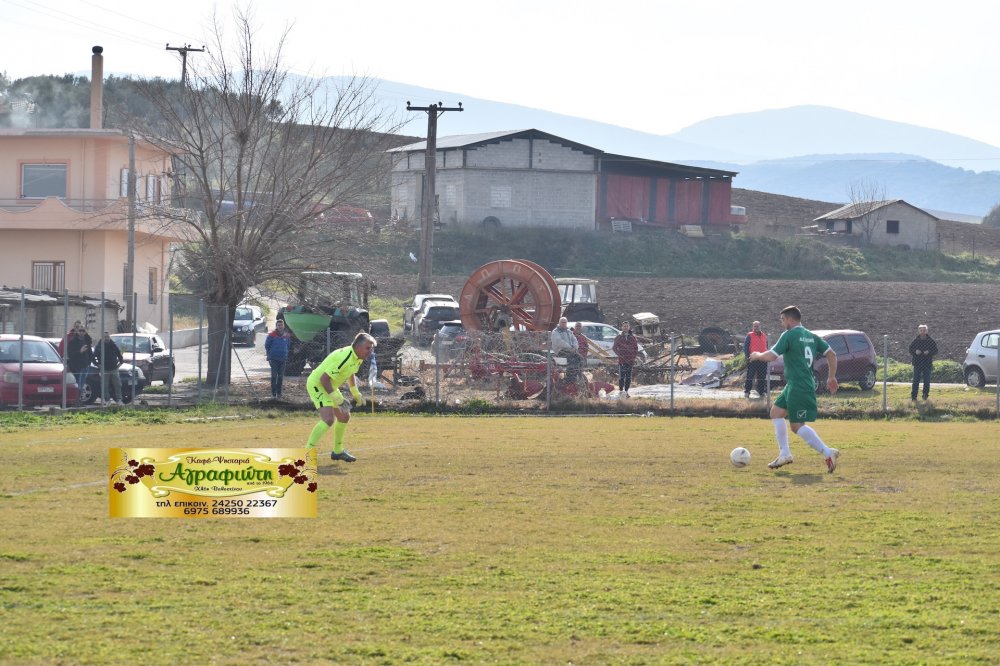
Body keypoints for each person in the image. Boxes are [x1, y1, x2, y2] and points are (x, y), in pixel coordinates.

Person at [749, 306, 840, 473]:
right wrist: (831, 377)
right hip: (796, 384)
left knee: (796, 426)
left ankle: (828, 452)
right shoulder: (811, 336)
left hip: (799, 385)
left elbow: (771, 356)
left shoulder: (789, 335)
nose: (783, 324)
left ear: (790, 319)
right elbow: (832, 354)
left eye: (783, 320)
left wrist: (757, 355)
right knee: (776, 412)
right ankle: (785, 454)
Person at [305, 331, 377, 462]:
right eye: (368, 348)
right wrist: (337, 398)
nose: (370, 351)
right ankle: (306, 454)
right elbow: (324, 379)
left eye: (371, 348)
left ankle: (337, 452)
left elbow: (350, 373)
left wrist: (355, 392)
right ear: (358, 347)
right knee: (328, 419)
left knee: (344, 416)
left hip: (329, 385)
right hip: (318, 384)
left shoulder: (358, 357)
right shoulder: (345, 356)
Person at [908, 324, 938, 400]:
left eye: (924, 330)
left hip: (927, 363)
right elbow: (910, 349)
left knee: (927, 381)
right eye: (921, 330)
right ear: (919, 331)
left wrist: (929, 352)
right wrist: (915, 351)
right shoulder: (915, 341)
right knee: (915, 381)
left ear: (927, 331)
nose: (922, 332)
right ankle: (914, 397)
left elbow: (935, 350)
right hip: (917, 363)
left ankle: (925, 396)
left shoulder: (930, 341)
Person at [66, 323, 94, 405]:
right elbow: (70, 354)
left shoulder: (87, 340)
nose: (82, 332)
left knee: (82, 385)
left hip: (85, 366)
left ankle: (79, 401)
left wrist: (91, 362)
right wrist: (80, 351)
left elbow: (90, 353)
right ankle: (76, 401)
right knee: (78, 384)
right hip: (77, 367)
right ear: (77, 331)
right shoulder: (73, 341)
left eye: (83, 330)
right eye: (80, 330)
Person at [264, 319, 292, 399]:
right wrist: (269, 355)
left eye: (281, 325)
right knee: (274, 376)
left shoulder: (287, 335)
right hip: (274, 359)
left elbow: (288, 345)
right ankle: (273, 393)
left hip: (283, 359)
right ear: (276, 326)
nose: (280, 326)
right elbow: (267, 345)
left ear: (283, 326)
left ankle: (279, 394)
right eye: (278, 325)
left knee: (280, 377)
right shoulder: (271, 335)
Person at [93, 331, 123, 404]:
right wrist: (97, 364)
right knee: (104, 386)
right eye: (104, 337)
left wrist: (119, 364)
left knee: (118, 384)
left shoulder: (113, 345)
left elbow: (120, 356)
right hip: (104, 369)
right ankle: (107, 400)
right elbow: (93, 357)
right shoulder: (99, 346)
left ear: (109, 337)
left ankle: (119, 399)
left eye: (107, 336)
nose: (106, 338)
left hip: (114, 368)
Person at [612, 321, 640, 398]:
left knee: (628, 377)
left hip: (630, 361)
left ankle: (626, 392)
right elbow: (614, 348)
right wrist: (619, 355)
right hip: (622, 360)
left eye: (627, 326)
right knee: (621, 377)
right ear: (622, 327)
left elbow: (636, 348)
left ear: (629, 327)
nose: (625, 327)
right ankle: (621, 391)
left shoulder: (633, 337)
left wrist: (633, 357)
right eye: (624, 326)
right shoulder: (619, 337)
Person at [550, 317, 582, 383]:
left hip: (571, 350)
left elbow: (574, 340)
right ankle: (569, 377)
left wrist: (575, 347)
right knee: (571, 359)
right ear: (559, 323)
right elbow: (558, 341)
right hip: (561, 351)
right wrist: (570, 348)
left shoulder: (569, 331)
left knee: (580, 358)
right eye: (562, 322)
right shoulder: (556, 332)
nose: (564, 324)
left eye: (565, 322)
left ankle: (576, 376)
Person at [743, 320, 769, 399]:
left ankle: (761, 392)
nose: (756, 328)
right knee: (750, 376)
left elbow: (766, 347)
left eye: (757, 326)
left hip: (762, 359)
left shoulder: (764, 336)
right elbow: (745, 347)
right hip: (753, 359)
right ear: (752, 327)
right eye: (754, 326)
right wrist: (748, 357)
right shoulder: (749, 335)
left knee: (762, 377)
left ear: (760, 326)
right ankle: (747, 392)